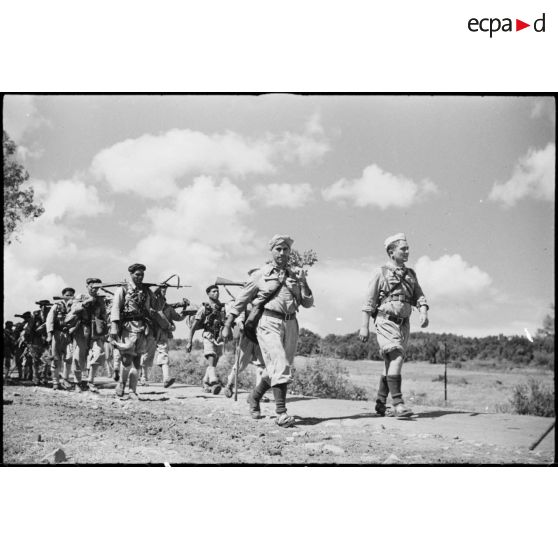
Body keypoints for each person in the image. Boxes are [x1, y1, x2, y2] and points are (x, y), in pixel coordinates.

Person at [222, 234, 314, 427]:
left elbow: (307, 303)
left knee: (278, 366)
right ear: (271, 251)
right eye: (278, 249)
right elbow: (241, 300)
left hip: (291, 323)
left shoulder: (294, 274)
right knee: (279, 363)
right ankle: (281, 413)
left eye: (285, 249)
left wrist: (303, 282)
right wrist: (228, 324)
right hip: (268, 321)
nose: (282, 253)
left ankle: (253, 397)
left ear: (290, 252)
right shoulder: (261, 274)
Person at [359, 233, 429, 418]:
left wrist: (423, 311)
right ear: (391, 252)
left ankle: (380, 404)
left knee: (390, 363)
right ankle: (398, 404)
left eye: (408, 249)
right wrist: (364, 326)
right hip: (385, 321)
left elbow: (419, 296)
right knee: (397, 357)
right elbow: (369, 302)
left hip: (404, 324)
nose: (407, 252)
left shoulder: (411, 274)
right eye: (403, 249)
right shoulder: (380, 272)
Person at [109, 263, 153, 398]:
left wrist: (159, 293)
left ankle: (132, 390)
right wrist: (114, 328)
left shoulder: (145, 291)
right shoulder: (122, 290)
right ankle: (121, 384)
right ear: (131, 274)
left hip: (141, 327)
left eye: (142, 275)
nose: (140, 277)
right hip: (128, 326)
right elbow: (115, 308)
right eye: (137, 274)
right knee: (126, 359)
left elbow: (153, 307)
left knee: (137, 360)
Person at [223, 269, 267, 399]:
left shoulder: (264, 296)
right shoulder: (245, 296)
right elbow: (239, 311)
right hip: (247, 335)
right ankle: (229, 384)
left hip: (260, 335)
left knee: (262, 365)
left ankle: (258, 394)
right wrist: (240, 323)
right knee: (240, 365)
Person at [141, 287, 191, 388]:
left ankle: (166, 378)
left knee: (164, 354)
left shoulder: (167, 308)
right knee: (147, 355)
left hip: (163, 333)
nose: (164, 293)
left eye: (165, 291)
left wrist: (185, 309)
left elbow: (178, 317)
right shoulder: (149, 306)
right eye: (162, 290)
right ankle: (143, 378)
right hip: (150, 332)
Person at [66, 278, 108, 392]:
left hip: (96, 330)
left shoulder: (100, 300)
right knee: (78, 357)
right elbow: (73, 310)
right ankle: (78, 383)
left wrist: (104, 330)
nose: (94, 289)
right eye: (92, 287)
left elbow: (104, 314)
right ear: (87, 286)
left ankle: (91, 381)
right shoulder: (80, 297)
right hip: (82, 330)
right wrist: (84, 303)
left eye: (96, 288)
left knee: (99, 353)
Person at [186, 285, 226, 394]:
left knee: (213, 364)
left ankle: (205, 383)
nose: (216, 293)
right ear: (208, 294)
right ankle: (214, 382)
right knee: (211, 357)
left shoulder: (222, 308)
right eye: (213, 291)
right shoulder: (204, 309)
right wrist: (189, 342)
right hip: (208, 335)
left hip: (219, 337)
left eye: (217, 291)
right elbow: (193, 327)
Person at [46, 288, 75, 390]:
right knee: (55, 359)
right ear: (63, 295)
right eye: (67, 295)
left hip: (69, 335)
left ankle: (65, 380)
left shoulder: (74, 306)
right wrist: (49, 335)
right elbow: (49, 321)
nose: (69, 297)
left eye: (71, 295)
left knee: (69, 357)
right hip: (57, 335)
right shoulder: (56, 306)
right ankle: (55, 382)